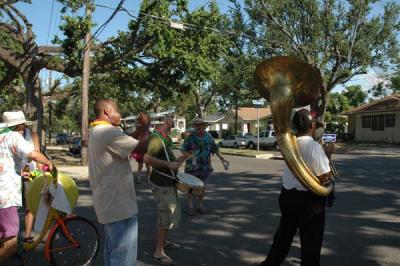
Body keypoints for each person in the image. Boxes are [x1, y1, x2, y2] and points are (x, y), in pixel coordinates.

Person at [254, 109, 334, 266]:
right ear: (311, 125)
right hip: (309, 201)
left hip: (288, 196)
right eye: (315, 125)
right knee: (311, 242)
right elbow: (324, 178)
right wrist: (328, 155)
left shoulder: (290, 145)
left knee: (283, 237)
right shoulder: (314, 146)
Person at [88, 99, 149, 266]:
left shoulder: (96, 130)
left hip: (109, 202)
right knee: (123, 257)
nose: (120, 115)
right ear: (108, 110)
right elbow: (142, 148)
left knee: (113, 252)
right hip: (118, 204)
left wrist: (136, 132)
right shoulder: (108, 132)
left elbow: (124, 142)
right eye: (117, 110)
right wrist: (145, 127)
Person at [0, 121, 52, 264]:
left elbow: (8, 161)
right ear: (19, 125)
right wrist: (48, 162)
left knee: (3, 239)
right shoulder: (14, 136)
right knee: (10, 246)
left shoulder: (2, 136)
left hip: (8, 187)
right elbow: (33, 154)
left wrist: (23, 172)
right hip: (5, 196)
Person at [144, 116, 183, 266]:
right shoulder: (156, 139)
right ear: (165, 123)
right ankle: (158, 251)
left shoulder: (163, 139)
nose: (173, 121)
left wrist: (179, 160)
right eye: (171, 119)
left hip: (167, 182)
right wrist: (168, 164)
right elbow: (147, 159)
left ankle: (164, 243)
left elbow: (168, 162)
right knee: (165, 216)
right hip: (161, 184)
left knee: (169, 215)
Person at [3, 111, 40, 243]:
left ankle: (27, 234)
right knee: (11, 206)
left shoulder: (33, 135)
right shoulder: (5, 137)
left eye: (21, 125)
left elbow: (36, 154)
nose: (20, 127)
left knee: (31, 203)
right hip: (12, 175)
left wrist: (42, 171)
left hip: (30, 172)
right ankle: (9, 239)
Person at [180, 118, 228, 215]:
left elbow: (215, 148)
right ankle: (190, 205)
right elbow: (183, 149)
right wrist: (188, 156)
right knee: (190, 186)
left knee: (202, 186)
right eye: (196, 125)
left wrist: (222, 159)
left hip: (205, 166)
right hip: (192, 166)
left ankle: (200, 205)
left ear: (204, 126)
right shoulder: (190, 137)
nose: (198, 127)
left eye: (200, 125)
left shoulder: (209, 137)